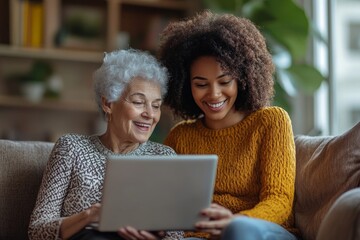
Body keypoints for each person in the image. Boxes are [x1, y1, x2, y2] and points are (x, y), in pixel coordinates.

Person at [158, 10, 298, 240]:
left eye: (224, 81)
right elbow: (168, 206)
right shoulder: (180, 137)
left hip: (261, 230)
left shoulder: (271, 121)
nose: (214, 94)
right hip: (202, 236)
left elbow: (279, 201)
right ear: (184, 86)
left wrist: (235, 221)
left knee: (238, 231)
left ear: (243, 78)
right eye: (201, 84)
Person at [28, 49, 184, 240]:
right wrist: (89, 216)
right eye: (138, 102)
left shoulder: (164, 158)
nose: (150, 114)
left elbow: (176, 236)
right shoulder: (71, 149)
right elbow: (36, 230)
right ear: (108, 103)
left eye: (156, 106)